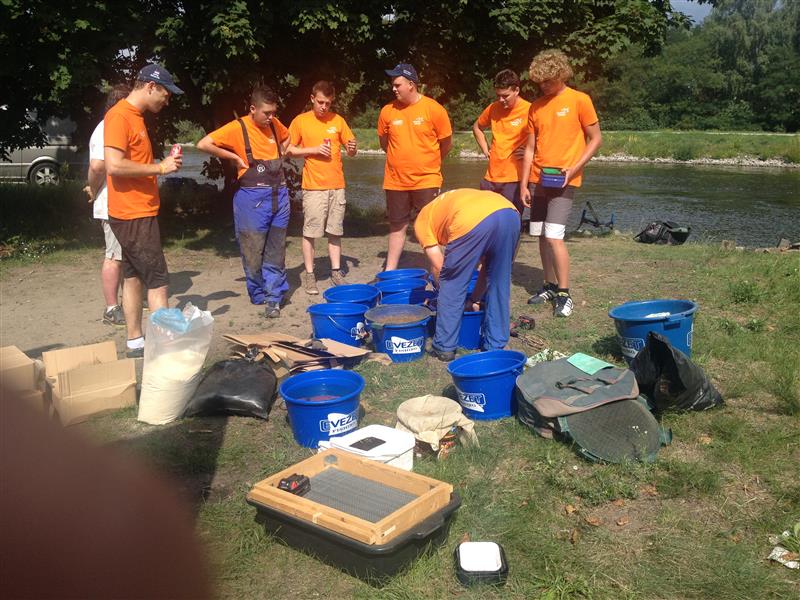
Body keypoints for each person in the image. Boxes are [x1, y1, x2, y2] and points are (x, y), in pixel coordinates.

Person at [105, 64, 184, 358]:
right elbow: (114, 165)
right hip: (133, 213)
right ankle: (166, 350)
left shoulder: (134, 116)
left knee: (134, 277)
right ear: (151, 86)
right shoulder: (120, 116)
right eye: (166, 93)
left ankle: (135, 342)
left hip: (134, 212)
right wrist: (159, 168)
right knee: (158, 281)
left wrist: (160, 166)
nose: (167, 100)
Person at [519, 50, 602, 318]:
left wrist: (573, 169)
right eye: (540, 82)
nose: (544, 86)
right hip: (537, 181)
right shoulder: (535, 107)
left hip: (565, 180)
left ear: (561, 75)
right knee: (542, 235)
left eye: (548, 81)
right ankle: (549, 285)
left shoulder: (580, 100)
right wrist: (523, 184)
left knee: (555, 235)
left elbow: (596, 139)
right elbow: (530, 148)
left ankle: (565, 294)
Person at [197, 85, 291, 318]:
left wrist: (281, 153)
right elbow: (203, 144)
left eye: (273, 113)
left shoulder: (275, 125)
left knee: (276, 248)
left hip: (279, 196)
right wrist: (234, 157)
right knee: (252, 250)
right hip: (251, 200)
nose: (271, 118)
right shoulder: (237, 128)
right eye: (266, 113)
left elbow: (287, 138)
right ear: (252, 109)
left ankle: (274, 296)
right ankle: (258, 292)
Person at [415, 188, 520, 362]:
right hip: (510, 213)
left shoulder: (421, 221)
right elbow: (486, 270)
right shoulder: (446, 204)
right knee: (499, 280)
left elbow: (440, 267)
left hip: (470, 219)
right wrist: (474, 299)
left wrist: (443, 294)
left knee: (452, 282)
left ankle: (444, 347)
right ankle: (496, 344)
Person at [377, 63, 452, 271]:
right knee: (397, 226)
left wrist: (429, 162)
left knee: (430, 228)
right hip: (395, 181)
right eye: (393, 84)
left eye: (397, 84)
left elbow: (446, 143)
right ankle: (389, 271)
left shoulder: (434, 109)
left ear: (411, 84)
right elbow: (384, 144)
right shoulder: (387, 111)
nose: (393, 88)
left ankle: (438, 272)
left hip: (426, 180)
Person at [286, 80, 357, 295]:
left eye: (327, 103)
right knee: (310, 232)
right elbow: (287, 149)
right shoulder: (301, 121)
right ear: (312, 99)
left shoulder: (338, 120)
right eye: (320, 102)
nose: (324, 107)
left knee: (335, 232)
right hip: (314, 187)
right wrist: (313, 150)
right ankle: (310, 275)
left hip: (337, 186)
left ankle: (336, 272)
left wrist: (352, 148)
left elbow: (351, 150)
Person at [86, 83, 131, 327]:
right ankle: (111, 308)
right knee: (114, 256)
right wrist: (93, 189)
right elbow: (97, 166)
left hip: (126, 202)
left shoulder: (120, 125)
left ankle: (130, 298)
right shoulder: (105, 128)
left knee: (126, 255)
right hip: (111, 203)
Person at [472, 69, 531, 217]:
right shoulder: (493, 108)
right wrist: (485, 149)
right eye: (498, 95)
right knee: (485, 219)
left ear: (516, 90)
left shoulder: (530, 110)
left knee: (510, 221)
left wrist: (531, 152)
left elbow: (545, 137)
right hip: (490, 177)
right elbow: (477, 127)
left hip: (514, 178)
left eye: (505, 96)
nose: (501, 100)